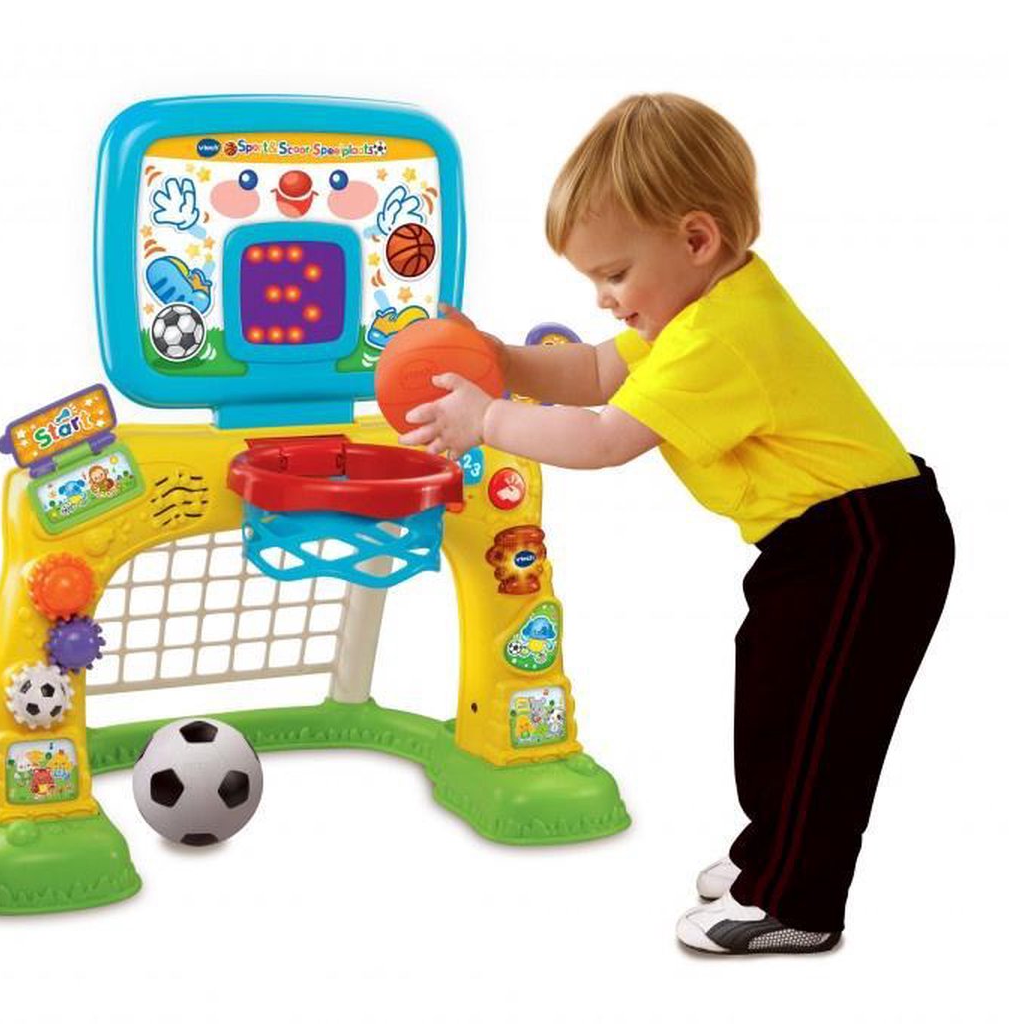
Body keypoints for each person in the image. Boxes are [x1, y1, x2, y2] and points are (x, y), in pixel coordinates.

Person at [400, 93, 955, 955]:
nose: (604, 300)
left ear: (697, 240)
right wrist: (502, 361)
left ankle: (797, 900)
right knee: (774, 702)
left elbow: (604, 437)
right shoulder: (694, 310)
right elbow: (594, 372)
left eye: (615, 275)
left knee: (821, 724)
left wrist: (489, 420)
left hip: (866, 543)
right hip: (821, 542)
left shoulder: (719, 336)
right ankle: (773, 854)